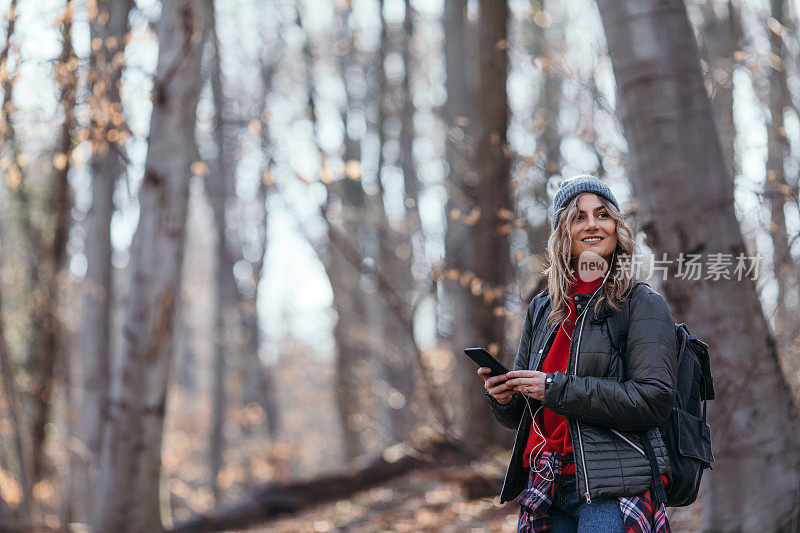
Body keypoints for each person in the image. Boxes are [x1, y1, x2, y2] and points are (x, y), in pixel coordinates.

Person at [478, 174, 678, 533]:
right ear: (562, 234)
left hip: (613, 485)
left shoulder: (640, 304)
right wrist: (503, 396)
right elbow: (524, 410)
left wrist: (555, 388)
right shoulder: (543, 307)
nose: (592, 225)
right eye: (578, 217)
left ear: (617, 227)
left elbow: (654, 400)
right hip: (546, 480)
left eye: (602, 215)